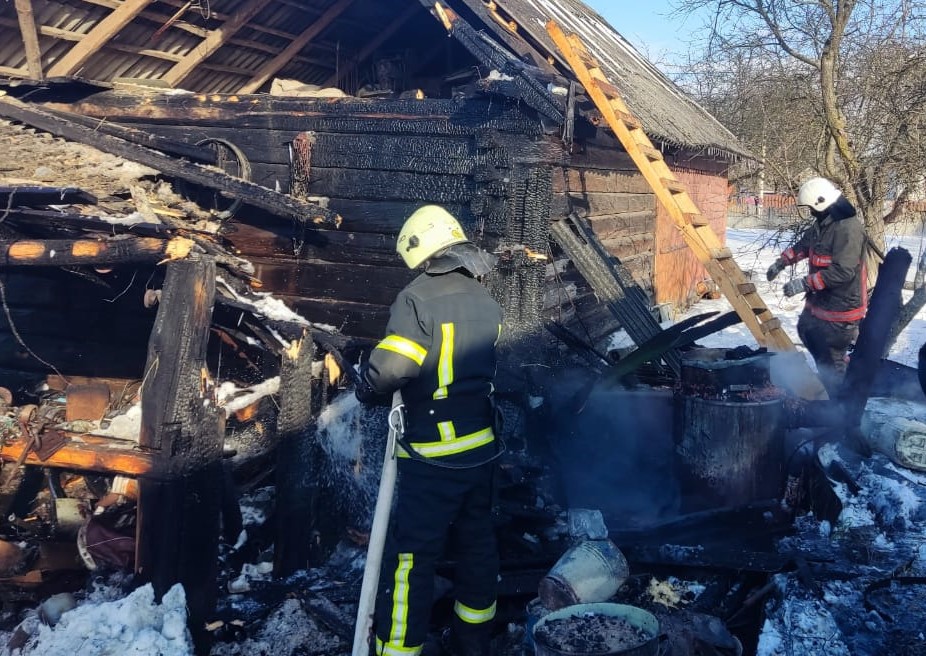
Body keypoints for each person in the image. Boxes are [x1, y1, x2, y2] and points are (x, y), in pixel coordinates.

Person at [355, 205, 503, 656]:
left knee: (411, 558)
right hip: (482, 449)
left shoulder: (417, 298)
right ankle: (472, 641)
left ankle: (398, 649)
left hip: (433, 455)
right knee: (477, 544)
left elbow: (391, 370)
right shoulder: (484, 297)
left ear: (420, 251)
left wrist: (365, 381)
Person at [766, 177, 868, 396]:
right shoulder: (824, 222)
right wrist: (782, 262)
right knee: (806, 329)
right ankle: (830, 382)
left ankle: (840, 401)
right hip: (822, 302)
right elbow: (806, 244)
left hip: (842, 307)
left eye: (811, 208)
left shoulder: (848, 229)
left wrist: (804, 283)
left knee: (831, 357)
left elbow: (843, 271)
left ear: (821, 203)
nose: (810, 212)